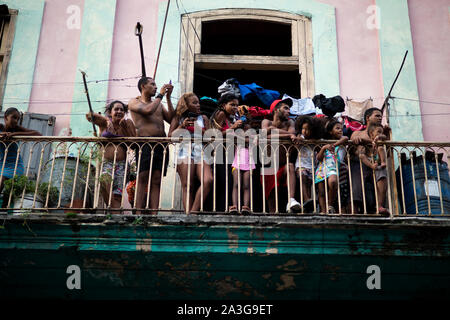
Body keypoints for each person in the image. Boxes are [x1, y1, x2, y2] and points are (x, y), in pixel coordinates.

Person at [128, 77, 174, 213]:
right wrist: (160, 94)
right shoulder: (134, 102)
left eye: (156, 85)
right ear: (143, 86)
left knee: (157, 178)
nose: (155, 87)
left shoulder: (158, 104)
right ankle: (138, 211)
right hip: (145, 143)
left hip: (161, 144)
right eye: (152, 84)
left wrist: (169, 98)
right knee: (142, 177)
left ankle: (154, 213)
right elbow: (148, 110)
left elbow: (171, 119)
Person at [86, 100, 136, 209]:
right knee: (104, 180)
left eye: (122, 110)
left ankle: (115, 215)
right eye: (116, 109)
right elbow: (89, 116)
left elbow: (134, 144)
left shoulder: (127, 123)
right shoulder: (104, 123)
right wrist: (106, 119)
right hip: (107, 163)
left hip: (122, 165)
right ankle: (113, 209)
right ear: (110, 111)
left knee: (117, 195)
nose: (119, 111)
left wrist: (126, 129)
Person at [169, 93, 213, 213]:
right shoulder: (178, 118)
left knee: (208, 180)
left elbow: (211, 139)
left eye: (198, 102)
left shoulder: (203, 118)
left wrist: (201, 131)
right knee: (188, 185)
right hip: (184, 151)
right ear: (186, 105)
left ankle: (192, 212)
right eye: (194, 103)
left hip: (201, 151)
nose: (198, 105)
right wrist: (182, 126)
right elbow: (170, 137)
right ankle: (189, 214)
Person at [261, 98, 301, 213]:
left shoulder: (290, 122)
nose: (289, 111)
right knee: (272, 202)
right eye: (285, 108)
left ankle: (291, 200)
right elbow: (264, 135)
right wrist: (288, 135)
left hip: (283, 165)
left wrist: (273, 132)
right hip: (269, 166)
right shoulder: (266, 122)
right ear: (276, 110)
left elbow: (292, 134)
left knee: (290, 166)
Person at [350, 107, 390, 214]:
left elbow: (389, 153)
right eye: (377, 115)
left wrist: (387, 137)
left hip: (376, 162)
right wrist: (357, 142)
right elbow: (351, 151)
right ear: (368, 118)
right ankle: (355, 209)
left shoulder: (382, 133)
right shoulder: (357, 133)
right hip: (361, 163)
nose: (380, 118)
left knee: (382, 172)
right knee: (356, 172)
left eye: (381, 116)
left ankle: (380, 206)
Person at [210, 93, 243, 212]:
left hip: (228, 153)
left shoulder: (230, 117)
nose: (235, 108)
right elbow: (214, 135)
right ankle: (222, 208)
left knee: (229, 180)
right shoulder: (221, 114)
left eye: (237, 105)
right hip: (220, 152)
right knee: (224, 180)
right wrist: (233, 127)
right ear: (224, 105)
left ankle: (228, 206)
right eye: (232, 105)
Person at [0, 107, 42, 195]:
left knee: (2, 183)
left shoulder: (16, 129)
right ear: (6, 117)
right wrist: (2, 134)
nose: (16, 121)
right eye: (13, 117)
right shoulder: (0, 127)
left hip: (14, 166)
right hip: (1, 164)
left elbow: (38, 134)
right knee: (6, 195)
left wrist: (15, 134)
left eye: (18, 119)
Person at [314, 119, 349, 213]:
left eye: (341, 128)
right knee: (321, 191)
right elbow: (319, 158)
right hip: (322, 167)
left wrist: (333, 145)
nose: (340, 130)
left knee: (333, 182)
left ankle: (330, 205)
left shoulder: (342, 142)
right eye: (337, 128)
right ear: (330, 131)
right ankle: (323, 211)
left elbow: (345, 138)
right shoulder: (324, 142)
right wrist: (324, 148)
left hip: (334, 168)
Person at [357, 123, 389, 215]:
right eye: (378, 131)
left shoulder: (379, 141)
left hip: (378, 164)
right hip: (368, 167)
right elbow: (360, 155)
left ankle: (380, 206)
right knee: (362, 155)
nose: (380, 133)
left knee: (382, 176)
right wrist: (371, 166)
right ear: (371, 133)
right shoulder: (364, 144)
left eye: (381, 132)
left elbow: (383, 137)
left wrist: (382, 135)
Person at [230, 105, 256, 215]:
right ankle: (235, 206)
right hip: (237, 161)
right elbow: (230, 134)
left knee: (246, 185)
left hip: (249, 161)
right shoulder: (237, 131)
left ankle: (246, 206)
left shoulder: (252, 132)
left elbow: (254, 141)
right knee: (236, 184)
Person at [293, 115, 320, 212]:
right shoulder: (301, 137)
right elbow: (299, 138)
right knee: (302, 178)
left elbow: (318, 148)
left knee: (309, 183)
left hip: (312, 166)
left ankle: (308, 206)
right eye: (303, 128)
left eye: (307, 129)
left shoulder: (315, 140)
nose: (305, 131)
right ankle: (307, 199)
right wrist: (300, 138)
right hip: (301, 164)